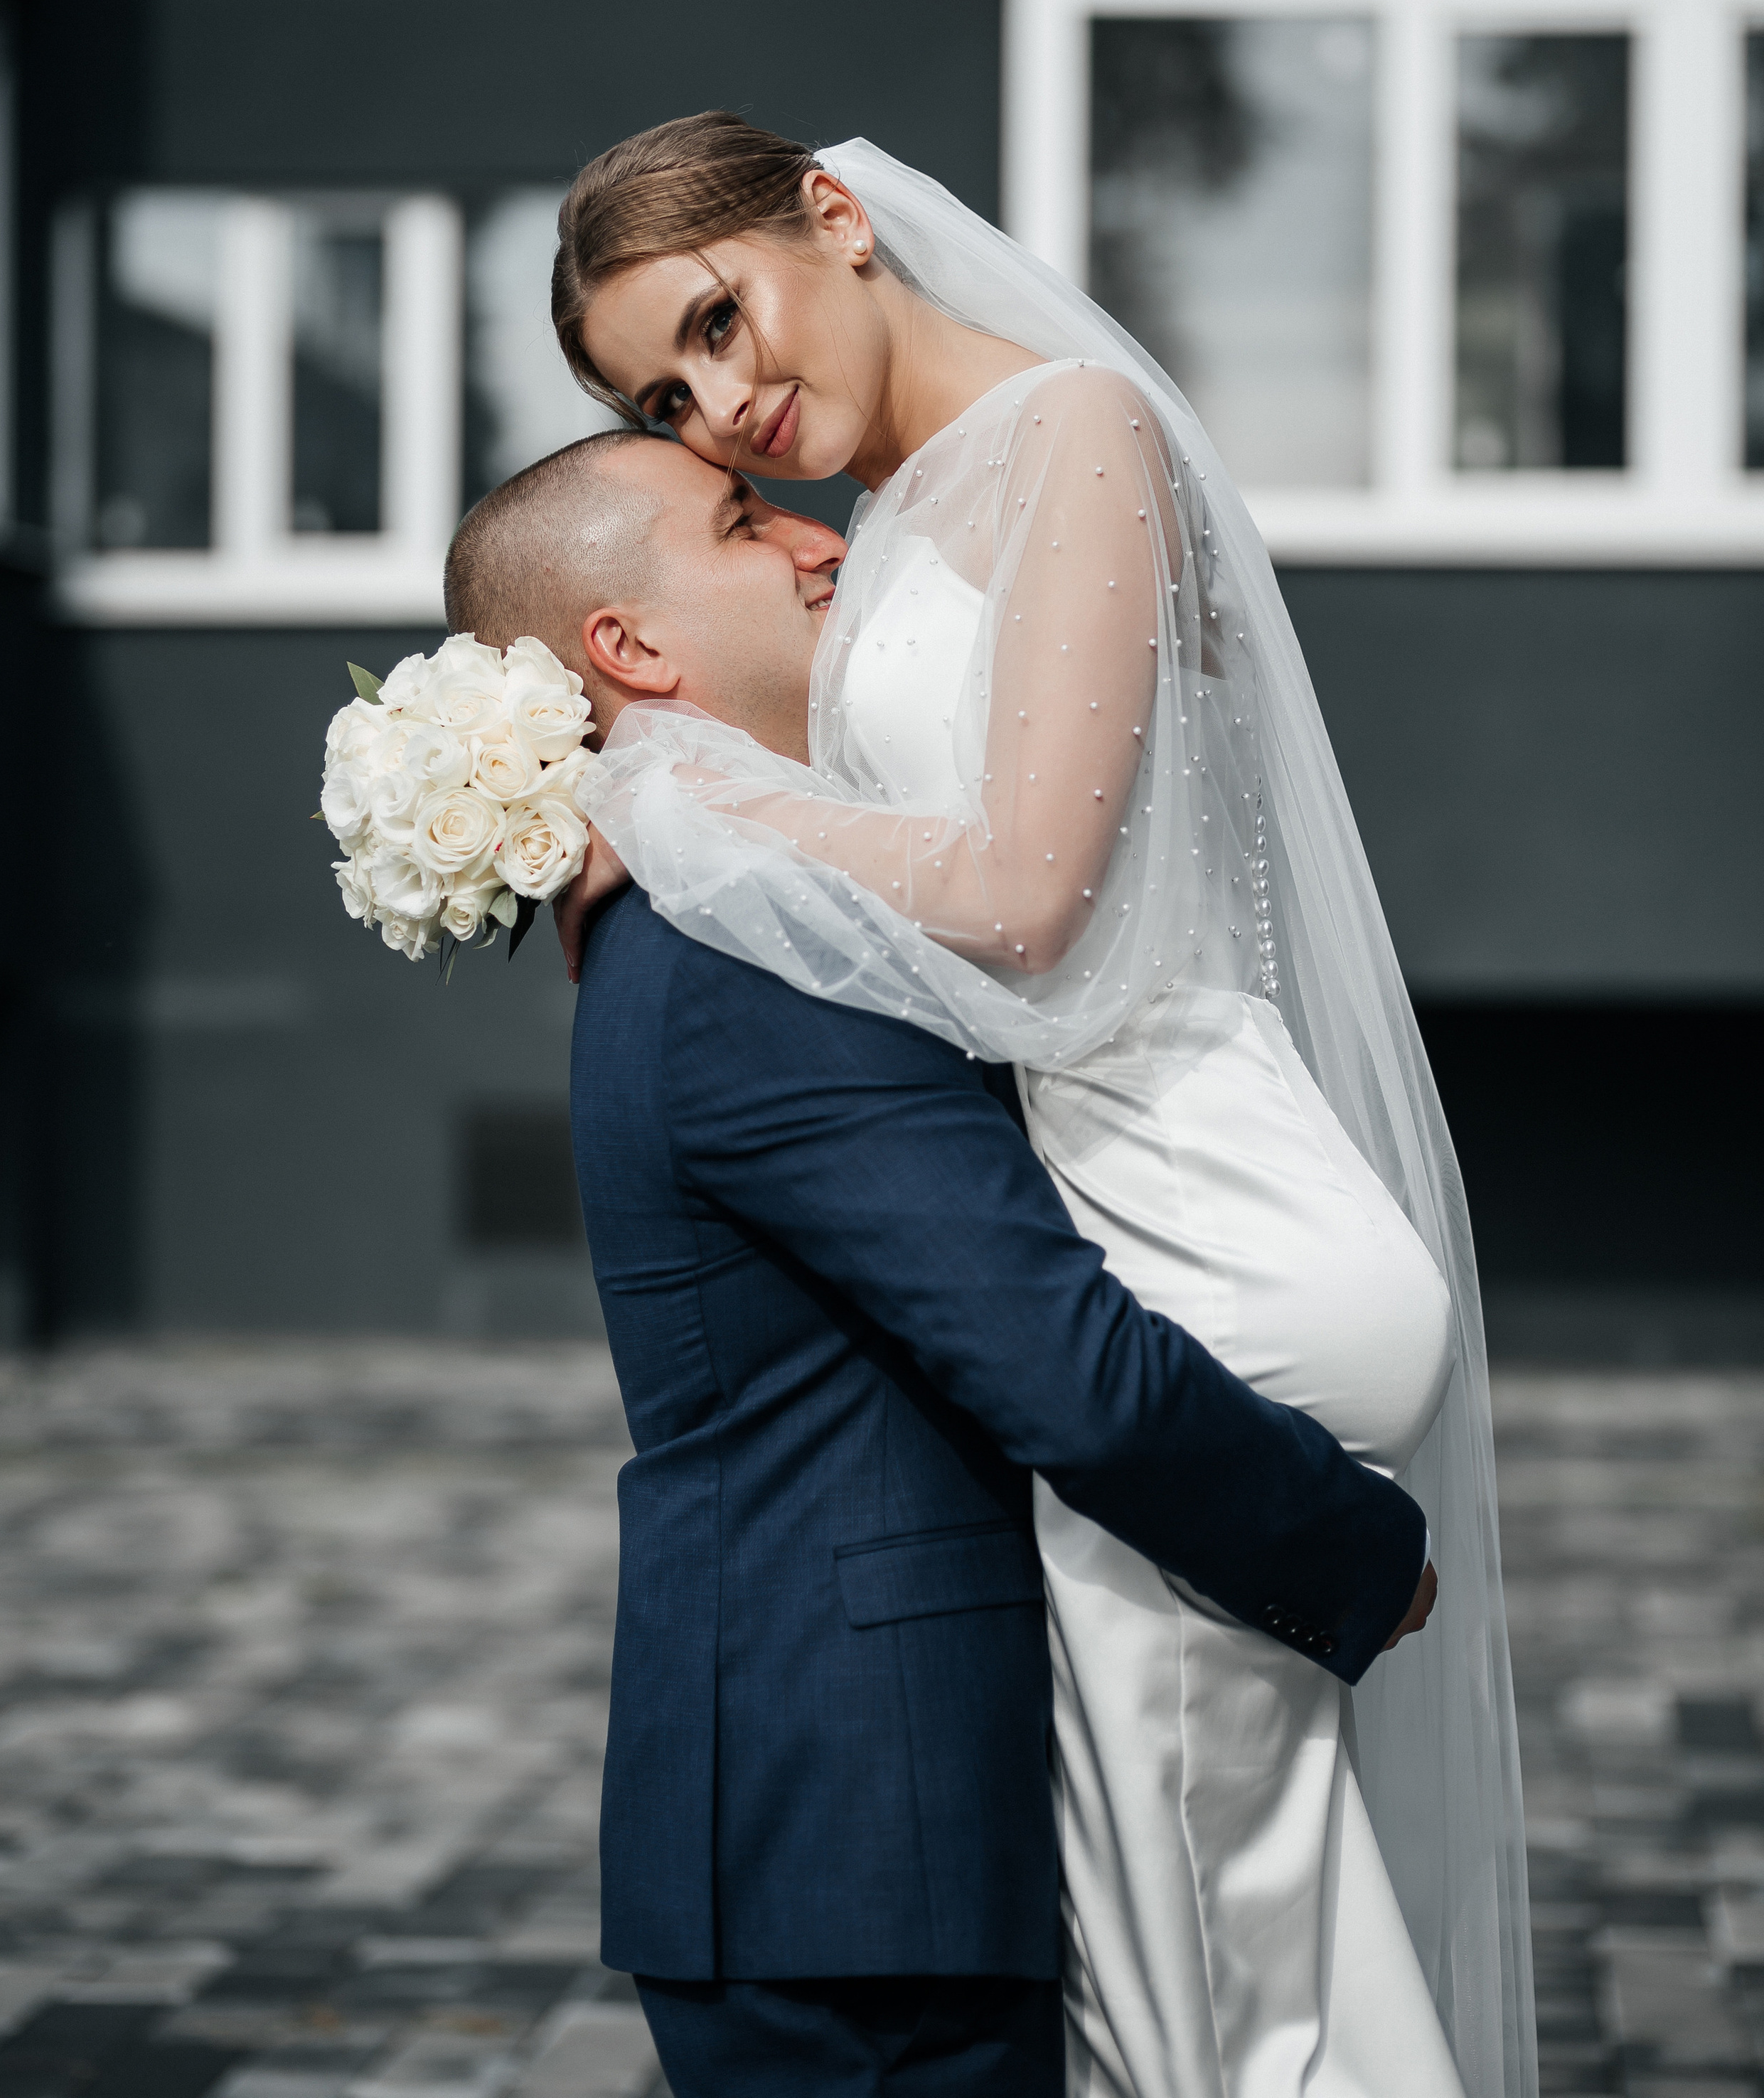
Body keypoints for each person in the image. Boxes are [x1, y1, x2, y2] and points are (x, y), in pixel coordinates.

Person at [545, 116, 1538, 2098]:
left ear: (834, 218)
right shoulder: (898, 517)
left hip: (1195, 1238)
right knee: (1241, 1967)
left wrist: (673, 795)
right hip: (1110, 1233)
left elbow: (1016, 898)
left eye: (721, 322)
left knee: (1228, 2021)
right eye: (668, 393)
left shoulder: (1080, 430)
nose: (726, 408)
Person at [442, 439, 1435, 2098]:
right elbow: (1048, 1355)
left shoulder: (733, 909)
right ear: (631, 650)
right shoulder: (736, 953)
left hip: (846, 1829)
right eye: (744, 524)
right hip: (858, 1833)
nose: (821, 542)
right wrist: (1351, 1554)